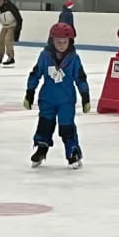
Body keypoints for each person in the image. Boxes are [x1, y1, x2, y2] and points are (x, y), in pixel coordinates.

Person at [24, 22, 90, 169]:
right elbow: (35, 74)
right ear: (51, 41)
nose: (61, 45)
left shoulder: (74, 58)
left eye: (64, 42)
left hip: (66, 99)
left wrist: (85, 96)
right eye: (57, 42)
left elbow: (80, 78)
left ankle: (72, 151)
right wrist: (30, 92)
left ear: (70, 41)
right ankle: (41, 147)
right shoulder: (45, 56)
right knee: (45, 124)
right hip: (47, 98)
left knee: (66, 126)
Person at [0, 0, 22, 67]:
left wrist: (17, 31)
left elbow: (19, 19)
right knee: (0, 40)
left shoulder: (10, 6)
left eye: (0, 0)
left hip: (12, 25)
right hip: (4, 26)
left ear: (4, 0)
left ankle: (11, 57)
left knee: (8, 39)